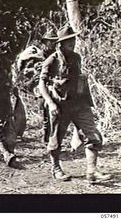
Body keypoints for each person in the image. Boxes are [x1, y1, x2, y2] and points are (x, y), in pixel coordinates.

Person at [39, 26, 112, 182]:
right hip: (61, 106)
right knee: (56, 140)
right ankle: (56, 168)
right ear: (60, 43)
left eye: (73, 39)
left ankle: (92, 171)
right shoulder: (52, 60)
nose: (72, 42)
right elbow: (42, 84)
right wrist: (51, 103)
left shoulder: (76, 57)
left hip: (80, 105)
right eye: (68, 41)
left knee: (92, 135)